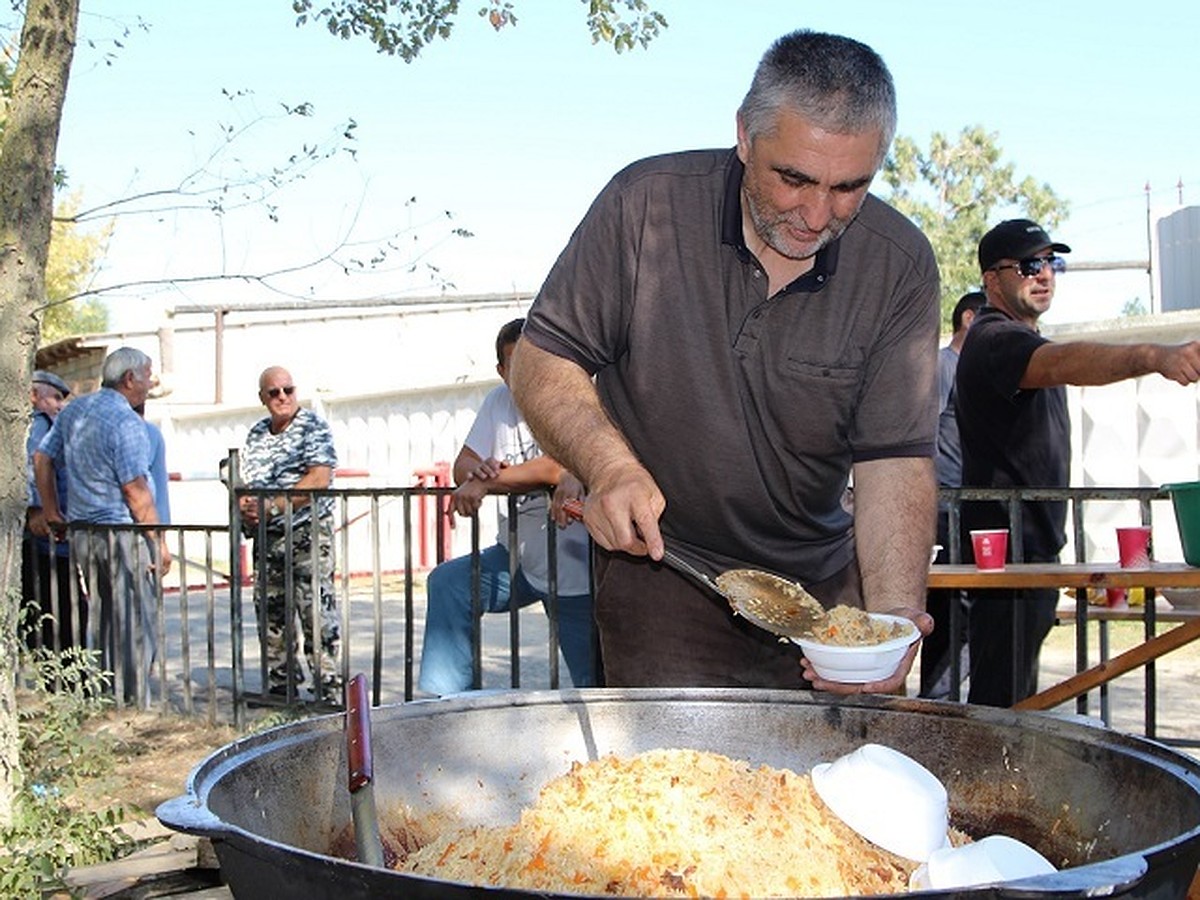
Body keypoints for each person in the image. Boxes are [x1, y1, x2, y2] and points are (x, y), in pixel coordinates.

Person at [508, 30, 939, 692]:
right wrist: (609, 466)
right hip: (664, 572)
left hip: (821, 593)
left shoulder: (900, 264)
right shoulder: (644, 205)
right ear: (744, 136)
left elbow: (895, 461)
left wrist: (887, 622)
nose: (816, 214)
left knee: (827, 790)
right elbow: (542, 360)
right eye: (793, 178)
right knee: (671, 792)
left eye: (849, 186)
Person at [956, 219, 1200, 707]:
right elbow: (1067, 362)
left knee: (1016, 706)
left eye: (1052, 263)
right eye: (1029, 264)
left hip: (1032, 555)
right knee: (998, 710)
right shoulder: (994, 338)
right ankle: (981, 783)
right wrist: (1155, 355)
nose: (1043, 274)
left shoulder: (1021, 340)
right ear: (992, 279)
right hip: (1006, 561)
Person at [418, 319, 597, 695]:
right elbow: (462, 465)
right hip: (517, 556)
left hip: (576, 565)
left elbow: (552, 467)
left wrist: (486, 480)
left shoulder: (570, 396)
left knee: (592, 685)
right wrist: (477, 473)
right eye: (515, 364)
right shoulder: (498, 403)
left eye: (535, 360)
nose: (526, 372)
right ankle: (448, 705)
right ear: (502, 371)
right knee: (449, 584)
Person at [34, 348, 171, 703]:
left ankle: (107, 697)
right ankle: (132, 704)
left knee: (105, 620)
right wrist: (158, 543)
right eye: (147, 374)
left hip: (84, 534)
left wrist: (52, 511)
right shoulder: (126, 422)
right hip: (120, 535)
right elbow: (136, 492)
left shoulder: (76, 410)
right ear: (129, 379)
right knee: (135, 622)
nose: (149, 382)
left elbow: (42, 457)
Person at [238, 366, 341, 700]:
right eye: (274, 392)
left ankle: (328, 687)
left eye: (288, 390)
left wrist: (274, 505)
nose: (282, 397)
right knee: (272, 612)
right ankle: (282, 685)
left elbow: (319, 477)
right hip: (268, 539)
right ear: (262, 398)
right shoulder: (256, 434)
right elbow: (248, 481)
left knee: (315, 611)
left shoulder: (311, 426)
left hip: (307, 534)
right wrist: (248, 507)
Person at [919, 291, 986, 700]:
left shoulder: (974, 370)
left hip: (968, 505)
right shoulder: (944, 366)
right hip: (944, 506)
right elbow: (921, 436)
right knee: (946, 607)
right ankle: (935, 701)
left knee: (967, 607)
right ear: (967, 318)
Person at [22, 370, 84, 652]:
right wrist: (37, 509)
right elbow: (33, 464)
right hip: (46, 536)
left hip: (51, 534)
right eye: (55, 397)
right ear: (34, 396)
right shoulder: (39, 424)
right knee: (64, 613)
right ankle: (69, 682)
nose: (60, 405)